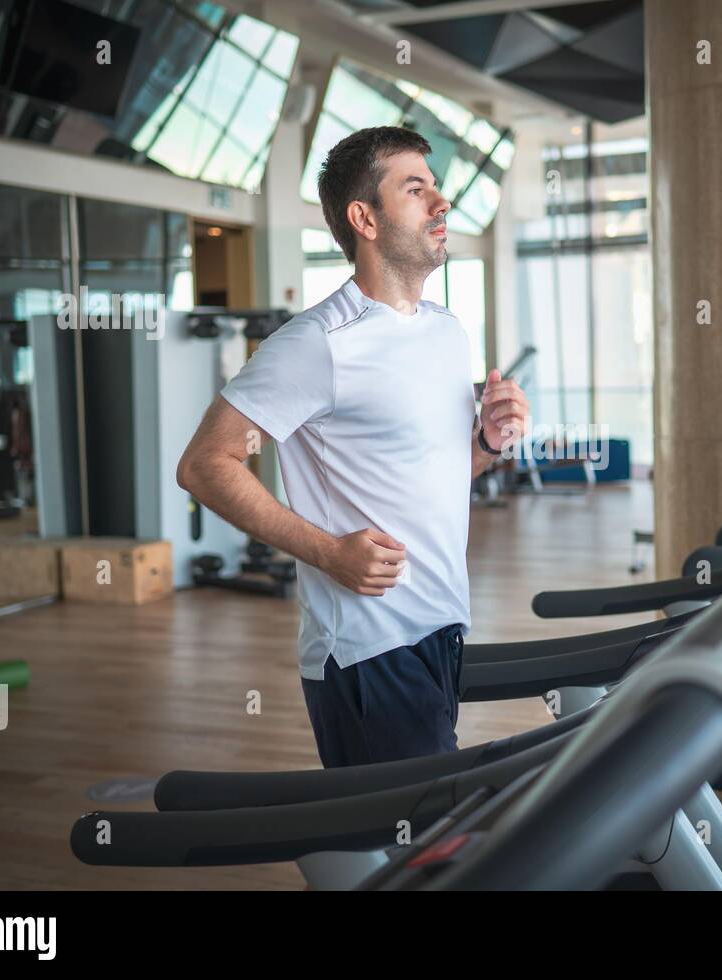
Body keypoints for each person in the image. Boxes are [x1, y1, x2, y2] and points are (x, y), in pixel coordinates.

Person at [176, 126, 529, 768]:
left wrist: (490, 440)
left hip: (443, 622)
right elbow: (205, 464)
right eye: (415, 188)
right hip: (369, 646)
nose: (441, 202)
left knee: (414, 844)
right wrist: (328, 553)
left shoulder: (446, 332)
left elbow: (443, 471)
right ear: (363, 218)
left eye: (435, 187)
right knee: (408, 848)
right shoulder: (318, 342)